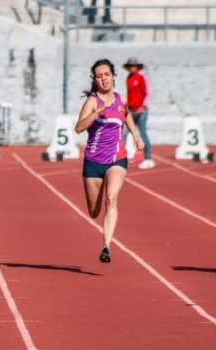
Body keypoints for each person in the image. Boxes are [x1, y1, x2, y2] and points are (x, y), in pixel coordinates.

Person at [74, 59, 144, 263]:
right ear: (95, 80)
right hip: (93, 162)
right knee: (94, 211)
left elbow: (127, 115)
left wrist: (136, 136)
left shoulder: (122, 100)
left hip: (116, 159)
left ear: (113, 76)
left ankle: (106, 246)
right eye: (99, 76)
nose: (103, 79)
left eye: (106, 74)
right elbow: (78, 128)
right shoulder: (92, 102)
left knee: (111, 198)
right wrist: (98, 110)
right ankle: (99, 192)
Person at [123, 57, 154, 169]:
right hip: (130, 110)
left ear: (137, 67)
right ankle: (121, 157)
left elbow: (148, 93)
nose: (132, 68)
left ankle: (148, 158)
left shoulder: (142, 78)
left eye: (133, 66)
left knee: (143, 133)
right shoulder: (129, 78)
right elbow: (130, 94)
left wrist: (143, 106)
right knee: (124, 133)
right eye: (130, 66)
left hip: (141, 110)